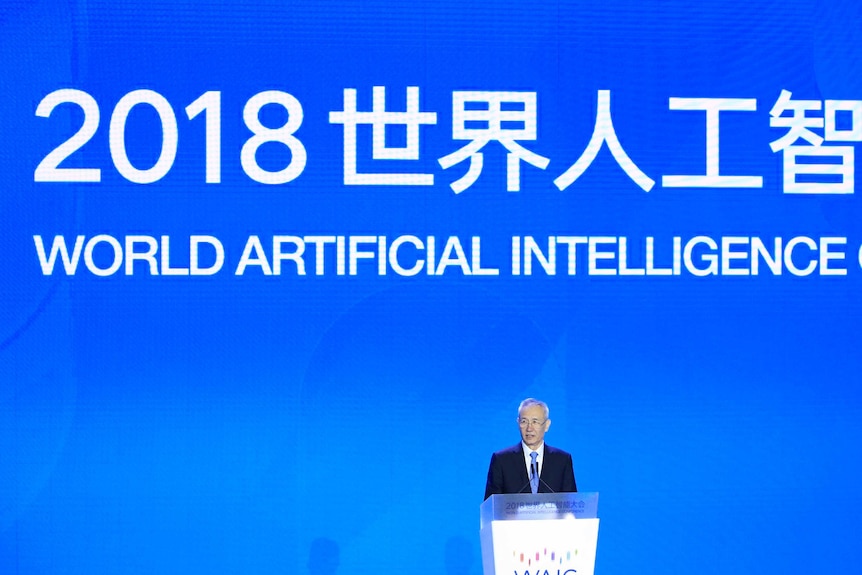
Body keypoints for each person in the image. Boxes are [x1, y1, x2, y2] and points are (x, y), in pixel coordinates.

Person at [484, 398, 577, 500]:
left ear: (546, 425)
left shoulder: (562, 460)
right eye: (524, 421)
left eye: (535, 422)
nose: (529, 428)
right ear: (518, 423)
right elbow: (491, 507)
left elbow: (571, 505)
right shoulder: (502, 460)